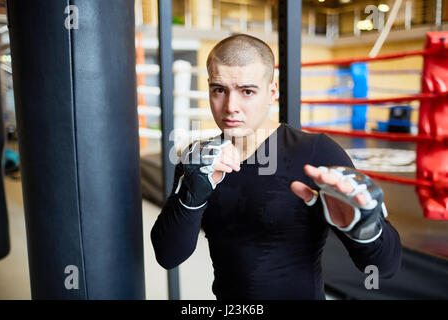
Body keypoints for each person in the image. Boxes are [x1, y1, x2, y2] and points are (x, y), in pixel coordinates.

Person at [151, 34, 402, 300]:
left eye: (247, 91)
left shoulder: (315, 153)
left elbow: (384, 267)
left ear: (272, 92)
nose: (230, 107)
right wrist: (191, 197)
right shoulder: (199, 159)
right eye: (219, 90)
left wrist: (365, 228)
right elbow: (168, 256)